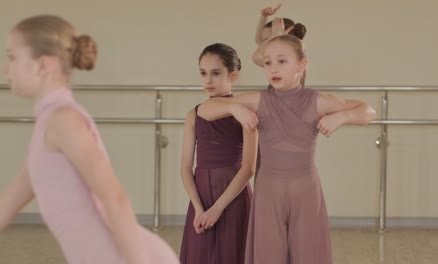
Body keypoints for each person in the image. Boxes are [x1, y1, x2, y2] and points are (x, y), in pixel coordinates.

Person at [0, 14, 179, 264]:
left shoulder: (63, 119)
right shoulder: (48, 125)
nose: (7, 69)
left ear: (42, 65)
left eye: (12, 57)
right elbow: (8, 202)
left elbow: (114, 196)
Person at [198, 34, 376, 264]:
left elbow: (368, 110)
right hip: (268, 193)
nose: (274, 68)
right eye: (268, 62)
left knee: (308, 255)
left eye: (282, 61)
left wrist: (343, 116)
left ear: (302, 64)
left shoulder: (317, 101)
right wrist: (234, 108)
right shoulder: (259, 100)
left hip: (305, 192)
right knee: (268, 256)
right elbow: (205, 109)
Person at [180, 43, 257, 264]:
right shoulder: (193, 114)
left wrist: (218, 208)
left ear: (233, 75)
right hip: (201, 196)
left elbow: (249, 167)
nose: (208, 80)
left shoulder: (245, 112)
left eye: (216, 73)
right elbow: (185, 168)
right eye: (203, 73)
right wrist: (198, 207)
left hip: (233, 195)